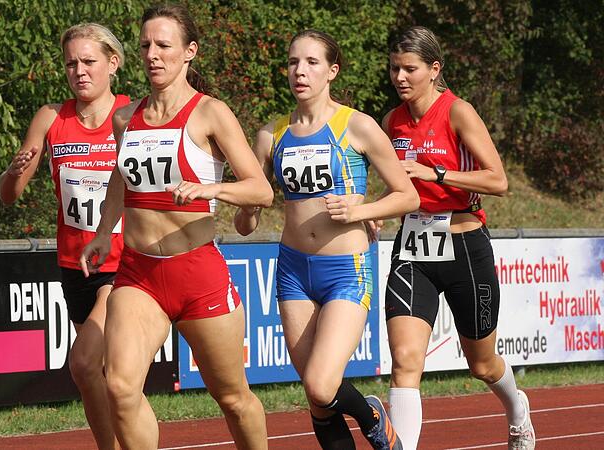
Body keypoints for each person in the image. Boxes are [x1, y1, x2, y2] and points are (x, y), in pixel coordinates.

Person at [80, 4, 272, 450]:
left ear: (189, 51)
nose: (152, 54)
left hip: (197, 274)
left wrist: (212, 189)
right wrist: (104, 231)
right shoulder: (125, 118)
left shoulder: (210, 113)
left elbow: (260, 190)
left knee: (233, 398)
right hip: (139, 274)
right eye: (145, 45)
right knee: (120, 387)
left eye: (163, 45)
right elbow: (120, 178)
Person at [235, 29, 419, 450]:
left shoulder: (357, 125)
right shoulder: (270, 135)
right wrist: (247, 208)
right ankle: (365, 418)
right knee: (318, 401)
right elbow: (246, 223)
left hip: (345, 271)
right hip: (293, 271)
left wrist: (360, 211)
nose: (299, 71)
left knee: (322, 384)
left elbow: (407, 195)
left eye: (311, 63)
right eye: (292, 62)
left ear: (332, 71)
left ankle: (373, 415)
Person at [381, 26, 535, 450]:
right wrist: (373, 212)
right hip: (413, 248)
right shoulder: (391, 122)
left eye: (409, 69)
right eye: (394, 68)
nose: (400, 77)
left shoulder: (457, 112)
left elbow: (498, 181)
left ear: (434, 69)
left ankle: (517, 407)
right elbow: (397, 184)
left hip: (464, 244)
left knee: (482, 364)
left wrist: (437, 173)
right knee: (405, 361)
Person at [0, 23, 129, 450]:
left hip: (123, 264)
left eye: (89, 61)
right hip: (75, 266)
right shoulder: (51, 118)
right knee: (98, 375)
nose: (80, 71)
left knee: (86, 363)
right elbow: (8, 196)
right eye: (71, 63)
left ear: (113, 63)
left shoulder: (131, 114)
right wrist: (13, 172)